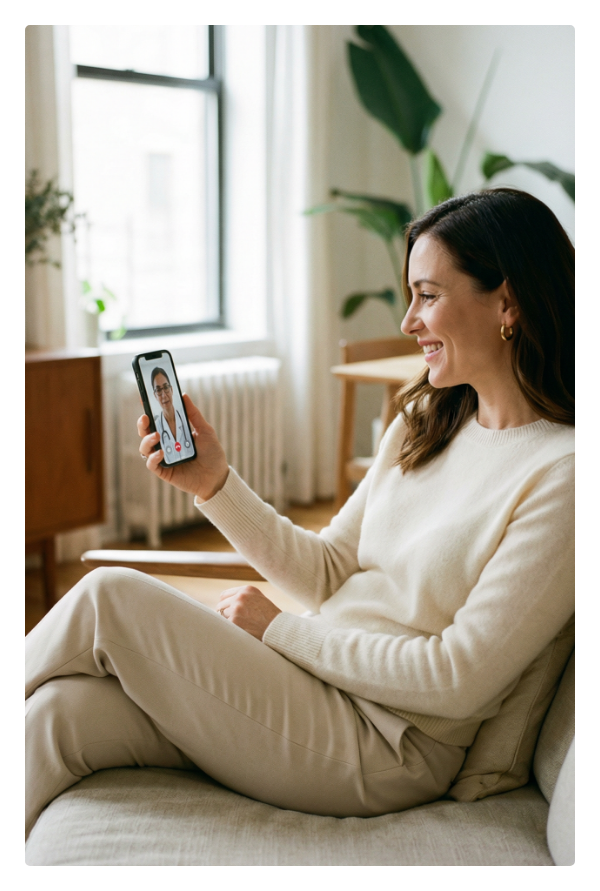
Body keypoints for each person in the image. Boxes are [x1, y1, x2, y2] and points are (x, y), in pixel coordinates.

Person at [25, 188, 574, 841]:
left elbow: (457, 677)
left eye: (427, 295)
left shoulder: (561, 474)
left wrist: (280, 630)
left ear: (506, 301)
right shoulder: (423, 422)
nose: (408, 321)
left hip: (387, 743)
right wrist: (212, 481)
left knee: (111, 596)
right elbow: (326, 569)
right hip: (311, 684)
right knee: (58, 715)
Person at [150, 366, 195, 462]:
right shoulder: (155, 428)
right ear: (155, 395)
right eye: (158, 390)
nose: (164, 395)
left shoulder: (186, 419)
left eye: (166, 387)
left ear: (171, 389)